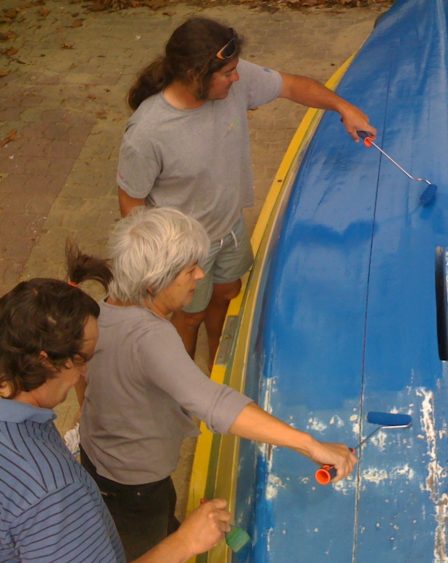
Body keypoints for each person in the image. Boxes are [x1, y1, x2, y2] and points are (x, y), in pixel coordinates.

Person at [74, 207, 358, 560]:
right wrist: (309, 444)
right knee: (145, 545)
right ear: (154, 284)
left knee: (160, 516)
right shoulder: (150, 337)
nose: (200, 274)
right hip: (133, 484)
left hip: (101, 458)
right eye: (188, 269)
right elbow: (215, 404)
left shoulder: (105, 308)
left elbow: (82, 379)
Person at [117, 17, 377, 363]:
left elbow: (292, 86)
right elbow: (130, 203)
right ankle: (185, 384)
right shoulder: (146, 133)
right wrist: (164, 262)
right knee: (189, 315)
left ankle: (216, 364)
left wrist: (343, 107)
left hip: (231, 227)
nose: (236, 79)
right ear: (195, 75)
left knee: (226, 294)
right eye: (227, 74)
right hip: (182, 248)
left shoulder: (233, 82)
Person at [0, 278, 233, 562]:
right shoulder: (53, 492)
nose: (87, 371)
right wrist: (186, 542)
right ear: (47, 361)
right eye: (84, 357)